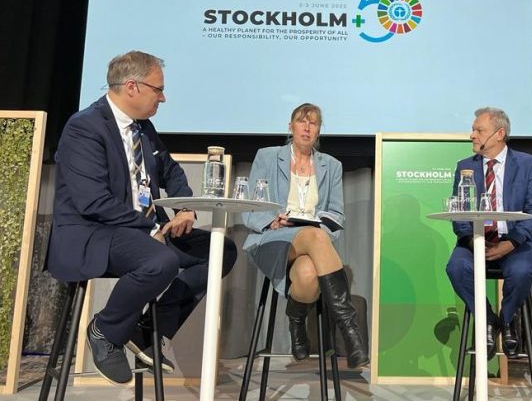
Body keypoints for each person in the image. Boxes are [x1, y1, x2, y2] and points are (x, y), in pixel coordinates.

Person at [46, 51, 238, 385]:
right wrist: (151, 227)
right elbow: (93, 202)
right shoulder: (84, 128)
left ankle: (149, 330)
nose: (163, 97)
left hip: (138, 230)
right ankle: (105, 330)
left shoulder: (143, 129)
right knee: (159, 260)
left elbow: (171, 170)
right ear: (132, 87)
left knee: (222, 250)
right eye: (158, 89)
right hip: (95, 232)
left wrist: (184, 210)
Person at [243, 103, 369, 368]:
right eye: (302, 121)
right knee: (315, 236)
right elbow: (250, 208)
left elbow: (336, 215)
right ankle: (350, 331)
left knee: (309, 276)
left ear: (319, 131)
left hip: (312, 242)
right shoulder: (267, 157)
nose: (307, 127)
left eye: (313, 123)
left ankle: (296, 319)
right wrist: (270, 222)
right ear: (291, 126)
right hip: (274, 238)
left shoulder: (331, 166)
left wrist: (318, 228)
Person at [445, 107, 532, 359]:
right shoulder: (465, 167)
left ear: (499, 134)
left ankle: (508, 316)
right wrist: (473, 242)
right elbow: (460, 213)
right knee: (456, 269)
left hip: (516, 242)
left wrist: (511, 243)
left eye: (479, 130)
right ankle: (490, 320)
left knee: (521, 270)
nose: (472, 135)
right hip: (475, 242)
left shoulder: (527, 164)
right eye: (473, 130)